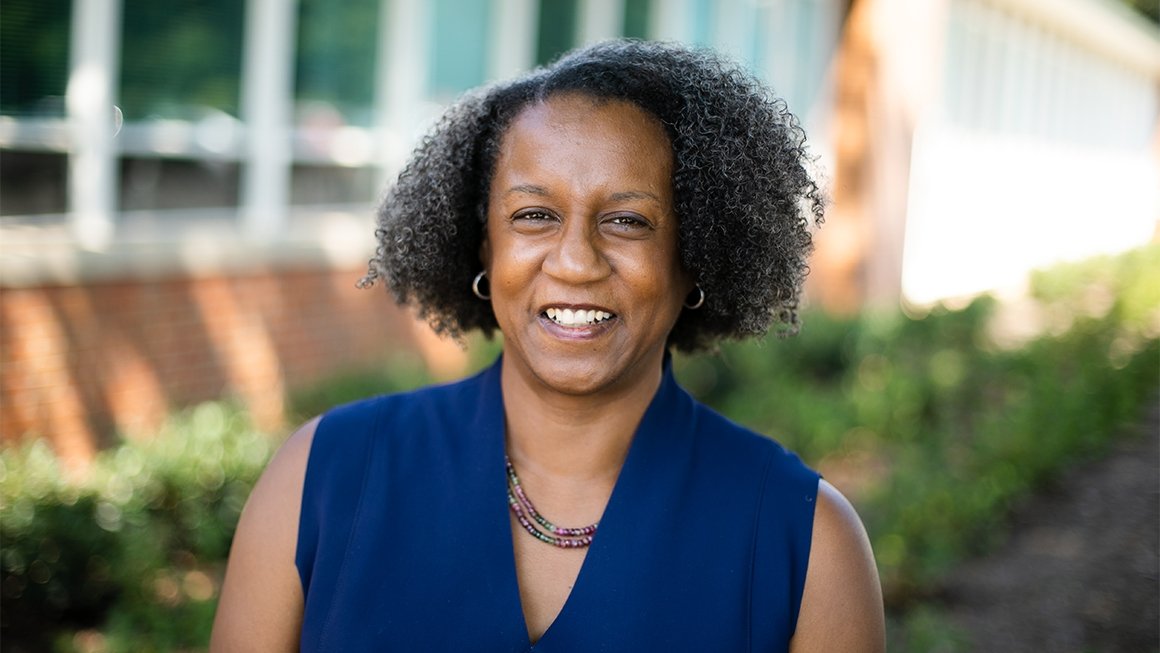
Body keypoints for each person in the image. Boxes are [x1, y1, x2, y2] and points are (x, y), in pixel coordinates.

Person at [211, 39, 884, 651]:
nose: (575, 261)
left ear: (695, 256)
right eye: (535, 214)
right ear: (484, 246)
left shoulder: (807, 543)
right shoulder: (323, 480)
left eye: (627, 220)